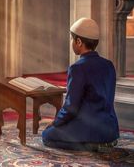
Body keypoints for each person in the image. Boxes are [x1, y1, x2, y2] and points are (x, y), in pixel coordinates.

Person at [42, 17, 119, 151]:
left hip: (88, 129)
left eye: (72, 39)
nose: (71, 42)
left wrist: (56, 123)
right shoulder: (109, 65)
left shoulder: (78, 68)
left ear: (78, 42)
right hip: (110, 130)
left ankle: (91, 145)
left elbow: (71, 107)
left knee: (47, 136)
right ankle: (104, 142)